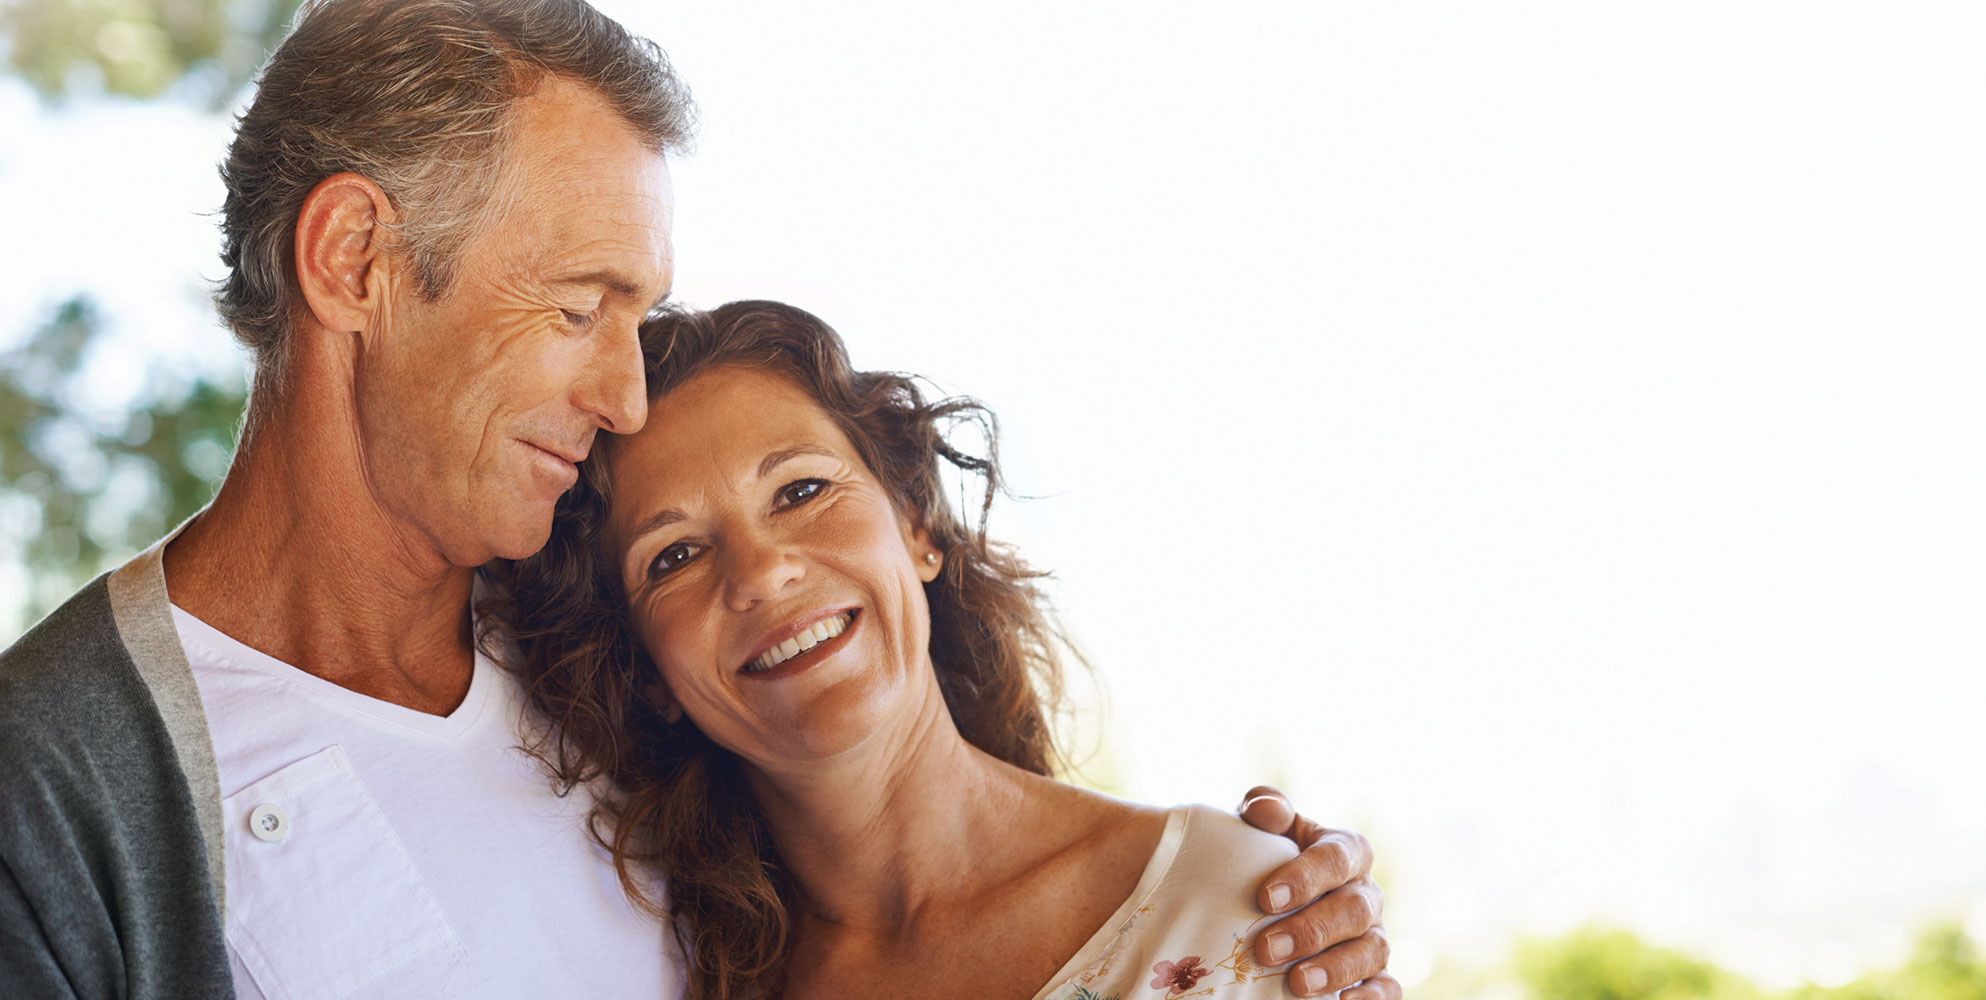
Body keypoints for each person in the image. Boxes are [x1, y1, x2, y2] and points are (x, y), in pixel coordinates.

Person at [0, 1, 1394, 998]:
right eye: (577, 308)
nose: (622, 397)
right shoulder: (58, 792)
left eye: (640, 315)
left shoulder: (585, 638)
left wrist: (1231, 909)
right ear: (355, 257)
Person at [490, 299, 1390, 1000]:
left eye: (801, 489)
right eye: (674, 556)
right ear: (648, 675)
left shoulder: (1240, 908)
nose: (761, 573)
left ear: (917, 526)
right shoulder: (678, 978)